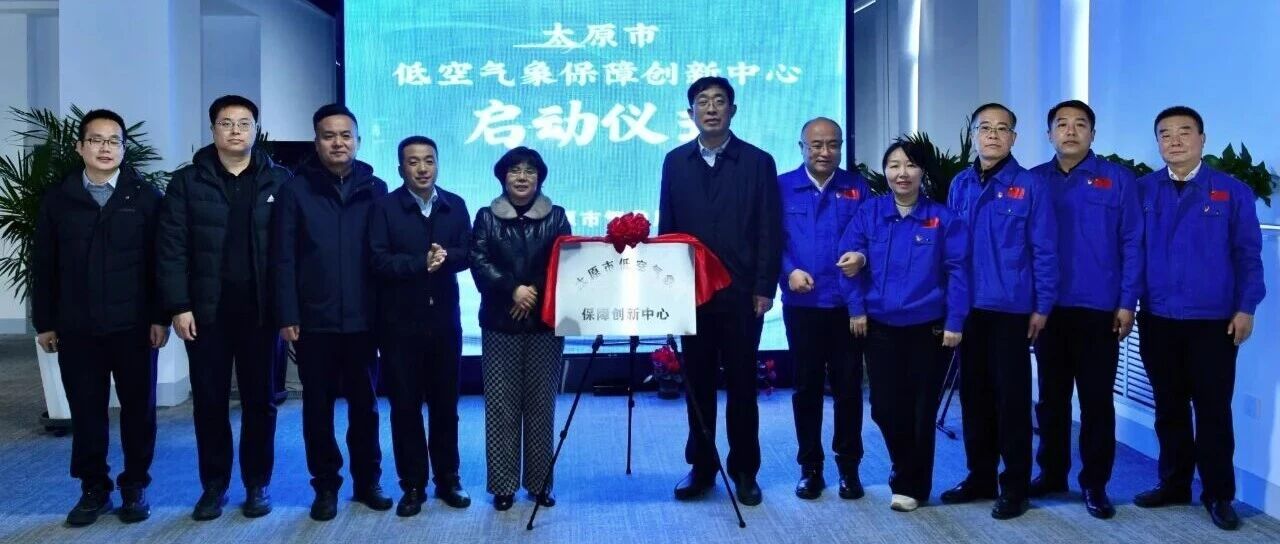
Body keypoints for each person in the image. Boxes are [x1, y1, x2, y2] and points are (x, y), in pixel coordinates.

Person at [1132, 106, 1264, 531]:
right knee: (1168, 407)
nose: (1174, 140)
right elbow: (1131, 252)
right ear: (1158, 142)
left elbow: (1248, 255)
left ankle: (1218, 494)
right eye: (1165, 134)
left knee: (1212, 411)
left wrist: (1246, 307)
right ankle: (1174, 484)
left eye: (1184, 132)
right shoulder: (1143, 190)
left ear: (1202, 139)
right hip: (1158, 317)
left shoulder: (1231, 191)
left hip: (1213, 322)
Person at [33, 109, 167, 526]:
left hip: (134, 326)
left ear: (124, 149)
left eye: (114, 141)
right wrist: (45, 322)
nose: (105, 148)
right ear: (80, 147)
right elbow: (43, 264)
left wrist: (160, 317)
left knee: (138, 410)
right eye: (96, 140)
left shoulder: (144, 197)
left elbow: (161, 263)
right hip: (78, 327)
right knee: (87, 411)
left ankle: (135, 485)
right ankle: (94, 488)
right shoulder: (58, 200)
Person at [158, 95, 288, 520]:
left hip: (261, 314)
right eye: (226, 123)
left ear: (256, 130)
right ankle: (214, 486)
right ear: (213, 129)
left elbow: (291, 251)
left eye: (244, 123)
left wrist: (288, 310)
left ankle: (257, 483)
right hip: (206, 314)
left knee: (261, 402)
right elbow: (171, 248)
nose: (236, 130)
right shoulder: (187, 182)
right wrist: (179, 305)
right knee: (210, 402)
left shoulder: (279, 180)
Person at [658, 76, 781, 506]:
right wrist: (668, 291)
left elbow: (769, 228)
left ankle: (745, 470)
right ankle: (702, 467)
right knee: (698, 384)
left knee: (743, 385)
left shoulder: (758, 161)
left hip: (743, 293)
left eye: (719, 101)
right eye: (702, 102)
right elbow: (668, 229)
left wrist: (764, 286)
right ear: (690, 112)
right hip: (692, 295)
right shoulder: (675, 162)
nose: (711, 108)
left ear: (733, 109)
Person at [272, 104, 391, 521]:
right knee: (317, 409)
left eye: (345, 135)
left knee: (365, 407)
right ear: (316, 141)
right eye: (328, 136)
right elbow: (283, 257)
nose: (338, 143)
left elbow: (384, 255)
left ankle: (367, 481)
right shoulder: (295, 190)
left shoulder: (377, 189)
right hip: (314, 320)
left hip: (364, 319)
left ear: (358, 140)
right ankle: (325, 486)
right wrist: (287, 313)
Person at [941, 103, 1057, 520]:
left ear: (1013, 138)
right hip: (968, 308)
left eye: (1001, 128)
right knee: (974, 397)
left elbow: (1045, 250)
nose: (992, 135)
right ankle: (980, 477)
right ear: (974, 134)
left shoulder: (1031, 186)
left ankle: (1015, 486)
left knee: (1012, 401)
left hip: (1012, 309)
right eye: (984, 128)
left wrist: (1042, 306)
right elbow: (950, 250)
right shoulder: (959, 184)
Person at [838, 139, 968, 512]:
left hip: (929, 327)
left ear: (922, 171)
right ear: (886, 172)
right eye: (894, 165)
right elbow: (848, 263)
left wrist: (955, 320)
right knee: (883, 406)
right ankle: (904, 465)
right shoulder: (869, 213)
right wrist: (856, 309)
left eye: (910, 165)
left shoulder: (943, 219)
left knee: (921, 409)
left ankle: (912, 485)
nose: (902, 173)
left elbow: (958, 272)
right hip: (880, 326)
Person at [1026, 100, 1142, 519]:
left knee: (1095, 402)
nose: (1070, 131)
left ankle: (1095, 483)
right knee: (1050, 399)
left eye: (1080, 124)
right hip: (1048, 309)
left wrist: (1127, 302)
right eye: (1062, 124)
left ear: (1093, 133)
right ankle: (1051, 473)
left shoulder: (1118, 180)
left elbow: (1132, 243)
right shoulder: (1033, 181)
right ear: (1049, 134)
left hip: (1099, 309)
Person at [369, 136, 473, 516]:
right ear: (401, 169)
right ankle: (412, 485)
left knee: (446, 407)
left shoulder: (454, 205)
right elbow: (377, 260)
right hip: (399, 326)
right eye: (413, 162)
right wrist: (419, 264)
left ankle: (448, 479)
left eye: (429, 160)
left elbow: (468, 252)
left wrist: (445, 258)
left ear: (438, 164)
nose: (422, 168)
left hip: (444, 324)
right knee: (405, 408)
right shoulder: (384, 208)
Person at [469, 146, 571, 511]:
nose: (522, 177)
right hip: (500, 323)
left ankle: (540, 484)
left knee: (541, 406)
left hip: (544, 325)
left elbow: (563, 262)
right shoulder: (486, 217)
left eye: (530, 171)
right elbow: (478, 261)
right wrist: (512, 289)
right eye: (515, 171)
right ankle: (503, 486)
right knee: (501, 406)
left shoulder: (557, 217)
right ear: (503, 177)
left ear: (539, 177)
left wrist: (532, 293)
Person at [778, 117, 870, 500]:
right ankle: (810, 468)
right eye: (816, 145)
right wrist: (788, 271)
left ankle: (849, 467)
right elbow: (771, 239)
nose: (824, 152)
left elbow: (871, 236)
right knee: (806, 388)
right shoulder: (782, 186)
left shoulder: (857, 186)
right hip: (802, 305)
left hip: (846, 306)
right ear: (801, 147)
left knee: (849, 389)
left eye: (833, 144)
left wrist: (862, 257)